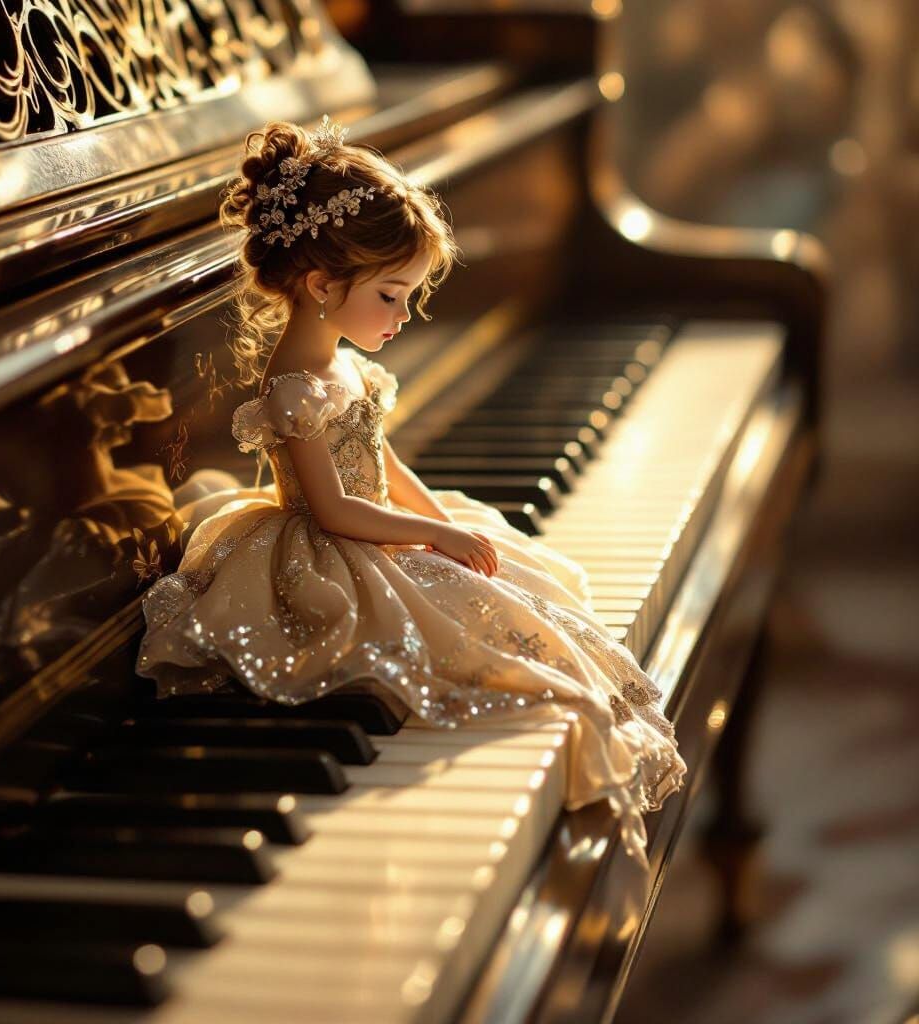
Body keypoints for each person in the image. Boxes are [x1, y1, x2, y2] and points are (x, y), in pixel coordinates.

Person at [135, 115, 686, 870]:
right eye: (392, 296)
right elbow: (329, 509)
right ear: (322, 284)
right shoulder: (294, 387)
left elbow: (381, 458)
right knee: (472, 641)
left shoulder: (344, 362)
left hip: (377, 527)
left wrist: (440, 520)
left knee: (516, 588)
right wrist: (429, 538)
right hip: (330, 552)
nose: (405, 318)